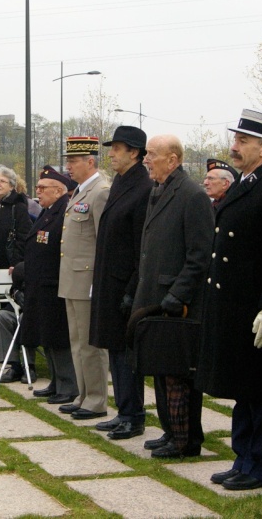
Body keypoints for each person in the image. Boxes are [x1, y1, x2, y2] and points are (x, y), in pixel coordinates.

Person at [197, 109, 262, 491]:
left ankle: (260, 466)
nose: (234, 147)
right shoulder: (243, 184)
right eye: (235, 140)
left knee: (259, 391)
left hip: (254, 308)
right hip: (232, 307)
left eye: (242, 142)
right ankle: (242, 458)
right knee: (241, 389)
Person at [131, 134, 213, 457]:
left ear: (173, 160)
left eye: (151, 154)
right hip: (154, 297)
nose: (146, 159)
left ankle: (186, 440)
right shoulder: (158, 190)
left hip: (177, 304)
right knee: (161, 372)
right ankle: (169, 432)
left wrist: (178, 294)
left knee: (179, 375)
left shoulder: (192, 196)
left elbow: (199, 255)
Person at [89, 126, 153, 440]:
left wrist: (131, 290)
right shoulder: (121, 183)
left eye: (116, 148)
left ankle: (134, 416)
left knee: (126, 354)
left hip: (125, 285)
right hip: (109, 281)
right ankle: (124, 411)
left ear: (134, 152)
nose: (111, 154)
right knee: (115, 351)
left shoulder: (142, 187)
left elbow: (141, 245)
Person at [57, 136, 111, 421]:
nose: (68, 166)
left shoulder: (100, 192)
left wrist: (97, 282)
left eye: (73, 161)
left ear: (90, 162)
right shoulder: (79, 192)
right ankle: (83, 394)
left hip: (87, 279)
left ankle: (97, 399)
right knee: (77, 341)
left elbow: (103, 241)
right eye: (68, 161)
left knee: (91, 344)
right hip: (72, 279)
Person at [22, 166, 78, 404]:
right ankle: (56, 382)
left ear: (58, 190)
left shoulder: (63, 213)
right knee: (47, 336)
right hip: (41, 285)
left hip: (54, 283)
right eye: (38, 187)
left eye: (43, 188)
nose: (38, 191)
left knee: (59, 337)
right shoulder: (48, 212)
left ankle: (68, 385)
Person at [0, 166, 33, 382]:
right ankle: (8, 361)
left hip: (13, 267)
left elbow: (24, 237)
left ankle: (26, 363)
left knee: (14, 310)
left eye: (2, 181)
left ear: (12, 185)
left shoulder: (19, 207)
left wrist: (17, 264)